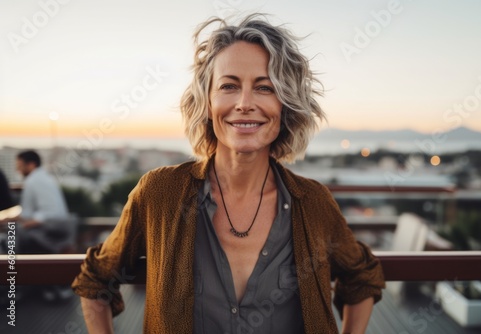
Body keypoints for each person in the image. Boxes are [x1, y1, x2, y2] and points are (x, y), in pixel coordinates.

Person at [72, 14, 385, 334]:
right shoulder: (159, 193)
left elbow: (363, 276)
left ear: (285, 105)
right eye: (229, 86)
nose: (245, 103)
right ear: (207, 101)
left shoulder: (313, 203)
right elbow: (96, 279)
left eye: (265, 88)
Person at [11, 150, 71, 253]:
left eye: (20, 166)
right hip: (56, 231)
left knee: (12, 236)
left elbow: (48, 213)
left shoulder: (33, 181)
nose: (17, 169)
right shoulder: (45, 178)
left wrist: (18, 223)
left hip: (48, 233)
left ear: (31, 165)